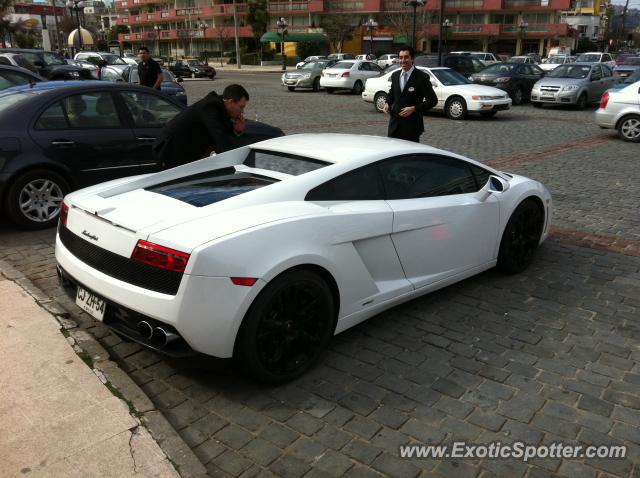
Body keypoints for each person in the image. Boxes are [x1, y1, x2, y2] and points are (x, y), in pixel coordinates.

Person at [152, 84, 249, 169]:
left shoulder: (221, 108)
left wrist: (237, 130)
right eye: (241, 107)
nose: (242, 111)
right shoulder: (210, 107)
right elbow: (221, 139)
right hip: (169, 151)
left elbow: (225, 137)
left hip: (186, 154)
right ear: (231, 102)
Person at [383, 45, 437, 143]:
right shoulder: (395, 75)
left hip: (411, 127)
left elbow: (433, 100)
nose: (403, 60)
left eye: (406, 57)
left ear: (412, 59)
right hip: (394, 126)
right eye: (401, 57)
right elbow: (392, 93)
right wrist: (387, 102)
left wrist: (414, 108)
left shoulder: (422, 77)